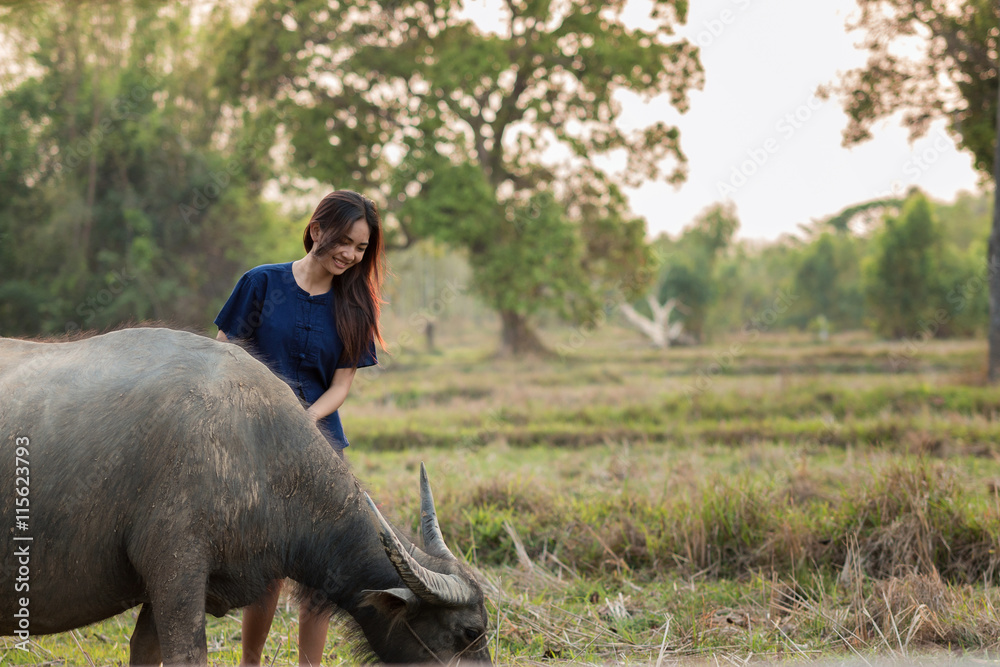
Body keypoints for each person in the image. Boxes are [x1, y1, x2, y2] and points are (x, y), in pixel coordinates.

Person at [213, 190, 385, 666]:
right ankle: (251, 662)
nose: (351, 255)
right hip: (253, 443)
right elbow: (224, 355)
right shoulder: (261, 284)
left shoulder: (357, 305)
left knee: (319, 575)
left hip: (322, 448)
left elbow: (340, 385)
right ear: (316, 231)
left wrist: (305, 421)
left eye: (362, 248)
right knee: (266, 567)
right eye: (345, 241)